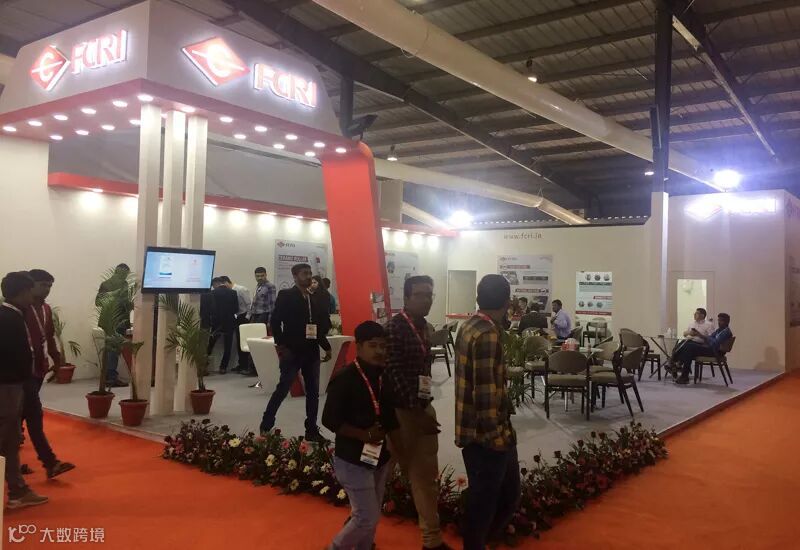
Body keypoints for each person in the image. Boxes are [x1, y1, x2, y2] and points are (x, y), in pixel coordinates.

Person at [384, 275, 450, 550]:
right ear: (406, 297)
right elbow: (393, 373)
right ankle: (357, 529)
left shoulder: (424, 327)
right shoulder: (394, 327)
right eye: (420, 295)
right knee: (380, 475)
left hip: (421, 407)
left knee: (425, 477)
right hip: (398, 413)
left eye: (429, 294)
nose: (426, 300)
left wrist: (424, 407)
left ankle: (431, 540)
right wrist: (417, 411)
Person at [455, 274, 520, 550]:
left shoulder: (469, 325)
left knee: (488, 498)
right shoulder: (488, 334)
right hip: (487, 436)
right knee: (494, 501)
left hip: (473, 429)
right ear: (507, 302)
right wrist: (496, 438)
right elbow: (485, 394)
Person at [322, 321, 399, 550]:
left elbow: (390, 417)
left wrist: (396, 452)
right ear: (359, 346)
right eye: (373, 345)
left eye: (383, 346)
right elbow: (329, 420)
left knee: (370, 513)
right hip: (352, 459)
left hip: (379, 456)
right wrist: (363, 434)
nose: (379, 351)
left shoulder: (383, 376)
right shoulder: (344, 378)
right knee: (367, 516)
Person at [260, 263, 333, 442]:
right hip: (292, 350)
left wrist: (325, 346)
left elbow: (317, 325)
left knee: (313, 392)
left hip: (311, 351)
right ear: (294, 276)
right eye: (304, 273)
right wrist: (281, 345)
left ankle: (311, 430)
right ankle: (266, 424)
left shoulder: (314, 297)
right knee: (283, 389)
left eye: (309, 273)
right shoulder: (286, 295)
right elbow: (275, 321)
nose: (308, 276)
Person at [1, 271, 49, 509]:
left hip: (14, 384)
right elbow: (16, 355)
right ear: (21, 292)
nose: (34, 294)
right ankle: (17, 491)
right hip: (9, 386)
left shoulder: (12, 314)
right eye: (31, 290)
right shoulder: (9, 318)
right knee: (6, 439)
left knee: (9, 440)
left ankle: (18, 489)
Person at [22, 270, 75, 479]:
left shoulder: (45, 309)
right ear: (30, 285)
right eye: (43, 285)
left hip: (38, 369)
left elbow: (49, 336)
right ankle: (50, 462)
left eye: (49, 286)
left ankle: (10, 464)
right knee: (33, 416)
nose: (47, 289)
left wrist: (56, 360)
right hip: (21, 371)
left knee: (20, 417)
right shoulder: (20, 309)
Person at [95, 263, 131, 388]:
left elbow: (99, 302)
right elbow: (99, 302)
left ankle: (107, 376)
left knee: (111, 349)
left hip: (112, 321)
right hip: (115, 321)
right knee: (113, 350)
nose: (125, 276)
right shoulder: (117, 284)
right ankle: (110, 378)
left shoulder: (111, 284)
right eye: (125, 273)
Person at [673, 313, 734, 385]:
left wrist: (703, 336)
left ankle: (678, 365)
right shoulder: (719, 330)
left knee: (689, 347)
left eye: (721, 321)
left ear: (727, 322)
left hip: (716, 352)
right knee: (686, 344)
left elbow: (715, 343)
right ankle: (681, 370)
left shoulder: (726, 332)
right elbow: (710, 338)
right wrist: (705, 337)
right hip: (711, 348)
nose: (719, 322)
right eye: (718, 320)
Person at [220, 276, 252, 373]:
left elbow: (249, 304)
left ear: (226, 282)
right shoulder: (230, 292)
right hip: (237, 317)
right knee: (239, 342)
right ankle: (241, 364)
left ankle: (245, 366)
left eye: (223, 284)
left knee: (243, 342)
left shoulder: (241, 289)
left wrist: (247, 318)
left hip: (244, 316)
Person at [207, 277, 239, 374]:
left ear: (216, 284)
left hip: (216, 322)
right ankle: (223, 367)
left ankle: (203, 365)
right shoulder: (233, 292)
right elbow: (236, 309)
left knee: (210, 344)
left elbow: (210, 308)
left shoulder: (212, 293)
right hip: (229, 322)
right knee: (228, 346)